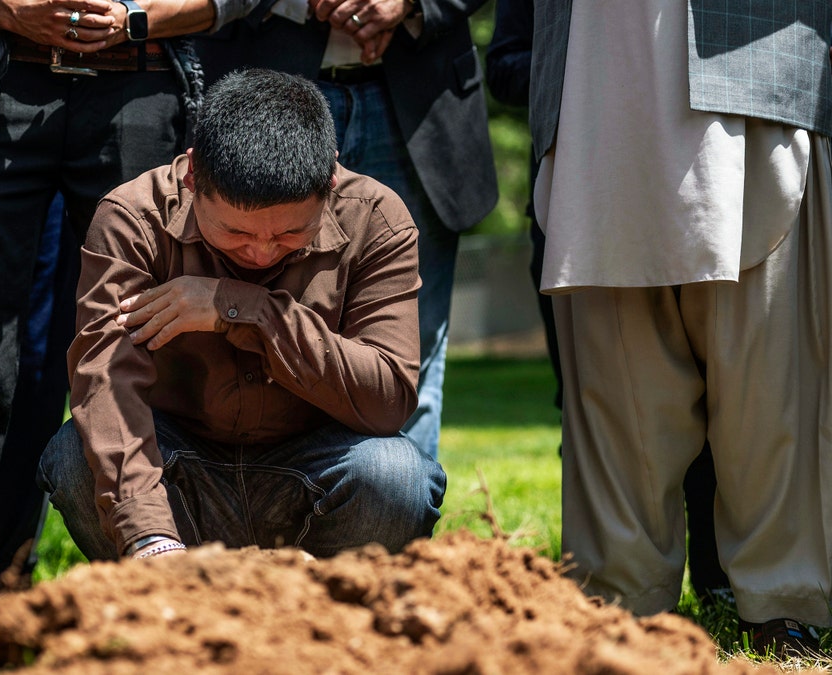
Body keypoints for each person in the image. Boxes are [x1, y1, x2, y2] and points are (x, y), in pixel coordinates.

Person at [38, 68, 447, 561]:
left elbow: (387, 399)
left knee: (396, 474)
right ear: (193, 177)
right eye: (236, 233)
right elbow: (106, 384)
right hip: (177, 470)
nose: (261, 252)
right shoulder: (132, 217)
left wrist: (245, 309)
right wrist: (150, 539)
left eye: (290, 234)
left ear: (331, 178)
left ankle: (328, 622)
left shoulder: (377, 218)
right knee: (76, 455)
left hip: (315, 470)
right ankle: (165, 613)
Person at [531, 0, 831, 656]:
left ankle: (786, 601)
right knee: (617, 392)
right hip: (592, 86)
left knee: (769, 383)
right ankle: (621, 600)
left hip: (760, 71)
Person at [0, 0, 253, 595]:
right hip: (0, 83)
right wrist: (5, 9)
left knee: (152, 337)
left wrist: (136, 17)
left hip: (143, 82)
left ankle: (166, 574)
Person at [485, 0, 729, 604]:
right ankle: (619, 582)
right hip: (583, 203)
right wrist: (596, 75)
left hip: (699, 188)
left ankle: (720, 577)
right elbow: (507, 65)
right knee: (595, 403)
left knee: (723, 405)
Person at [193, 0, 497, 466]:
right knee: (234, 322)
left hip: (417, 100)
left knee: (417, 344)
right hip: (265, 95)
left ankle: (395, 521)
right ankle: (255, 517)